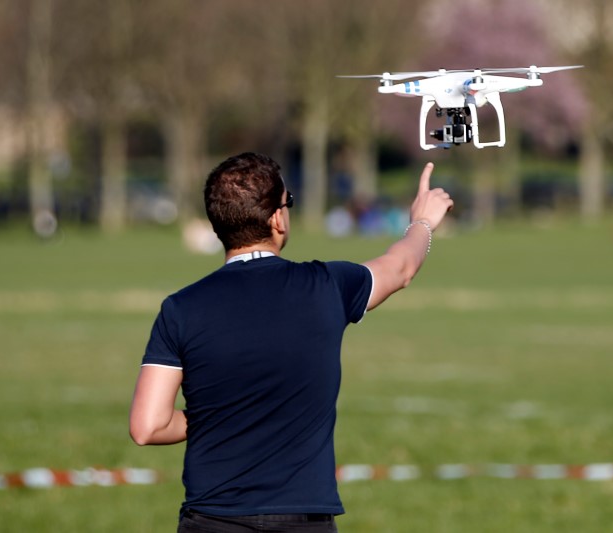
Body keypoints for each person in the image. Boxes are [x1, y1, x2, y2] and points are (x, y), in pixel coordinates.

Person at [129, 152, 453, 532]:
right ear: (277, 218)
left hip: (211, 519)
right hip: (303, 520)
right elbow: (400, 267)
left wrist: (217, 417)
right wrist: (422, 222)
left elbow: (148, 426)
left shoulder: (180, 309)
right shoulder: (326, 286)